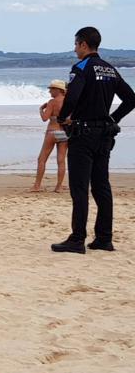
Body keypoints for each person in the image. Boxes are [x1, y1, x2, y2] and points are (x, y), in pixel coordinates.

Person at [51, 27, 135, 254]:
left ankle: (77, 239)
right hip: (104, 134)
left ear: (84, 44)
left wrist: (62, 117)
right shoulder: (110, 69)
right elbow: (131, 99)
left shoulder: (81, 68)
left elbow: (74, 96)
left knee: (79, 187)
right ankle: (104, 239)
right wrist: (112, 119)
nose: (75, 48)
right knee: (101, 186)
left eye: (76, 44)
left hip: (83, 134)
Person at [30, 80, 68, 193]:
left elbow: (44, 118)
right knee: (61, 160)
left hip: (52, 131)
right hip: (64, 133)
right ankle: (59, 186)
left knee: (42, 159)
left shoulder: (52, 102)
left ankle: (37, 186)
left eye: (51, 89)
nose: (49, 91)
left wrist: (41, 109)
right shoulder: (69, 101)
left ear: (58, 90)